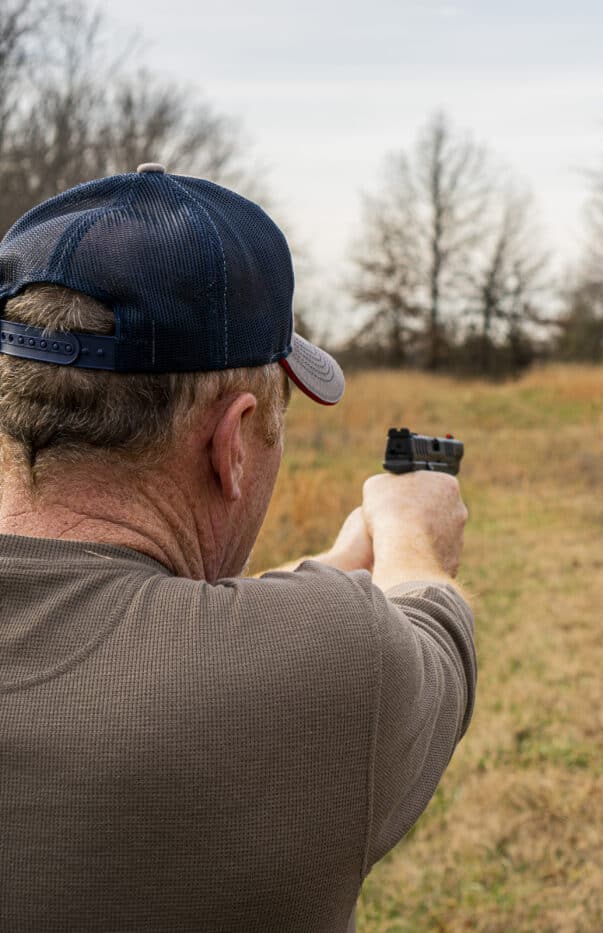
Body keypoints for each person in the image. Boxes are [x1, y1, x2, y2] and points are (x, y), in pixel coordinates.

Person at [0, 165, 476, 933]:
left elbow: (132, 624)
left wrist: (331, 563)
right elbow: (433, 633)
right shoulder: (345, 662)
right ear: (233, 445)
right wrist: (411, 535)